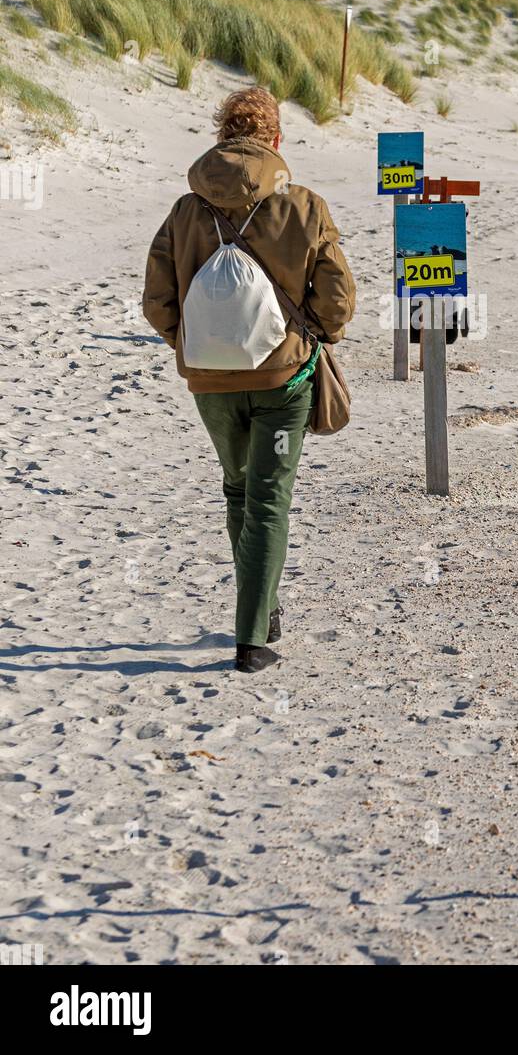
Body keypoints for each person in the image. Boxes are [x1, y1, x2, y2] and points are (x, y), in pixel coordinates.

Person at [142, 87, 356, 673]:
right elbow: (337, 298)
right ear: (276, 140)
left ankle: (261, 607)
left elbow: (157, 301)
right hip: (283, 380)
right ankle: (252, 638)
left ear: (221, 136)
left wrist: (193, 347)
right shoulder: (304, 206)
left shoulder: (186, 211)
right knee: (267, 499)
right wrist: (314, 338)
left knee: (238, 490)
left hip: (210, 384)